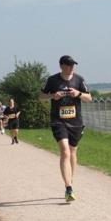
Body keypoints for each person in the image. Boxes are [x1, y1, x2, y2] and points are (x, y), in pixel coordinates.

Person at [39, 55, 92, 202]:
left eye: (73, 65)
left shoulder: (79, 79)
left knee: (73, 152)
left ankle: (70, 181)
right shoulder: (52, 80)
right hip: (58, 121)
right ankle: (68, 188)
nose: (72, 67)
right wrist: (53, 95)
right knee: (65, 150)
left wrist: (78, 94)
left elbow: (89, 98)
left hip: (75, 121)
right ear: (62, 66)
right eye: (69, 65)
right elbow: (41, 96)